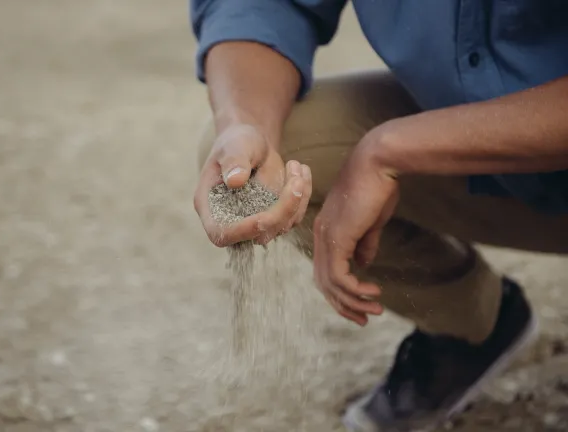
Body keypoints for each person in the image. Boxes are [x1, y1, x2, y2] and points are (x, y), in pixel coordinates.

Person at [189, 1, 568, 431]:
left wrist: (391, 150)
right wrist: (245, 122)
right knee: (279, 154)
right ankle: (475, 326)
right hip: (495, 152)